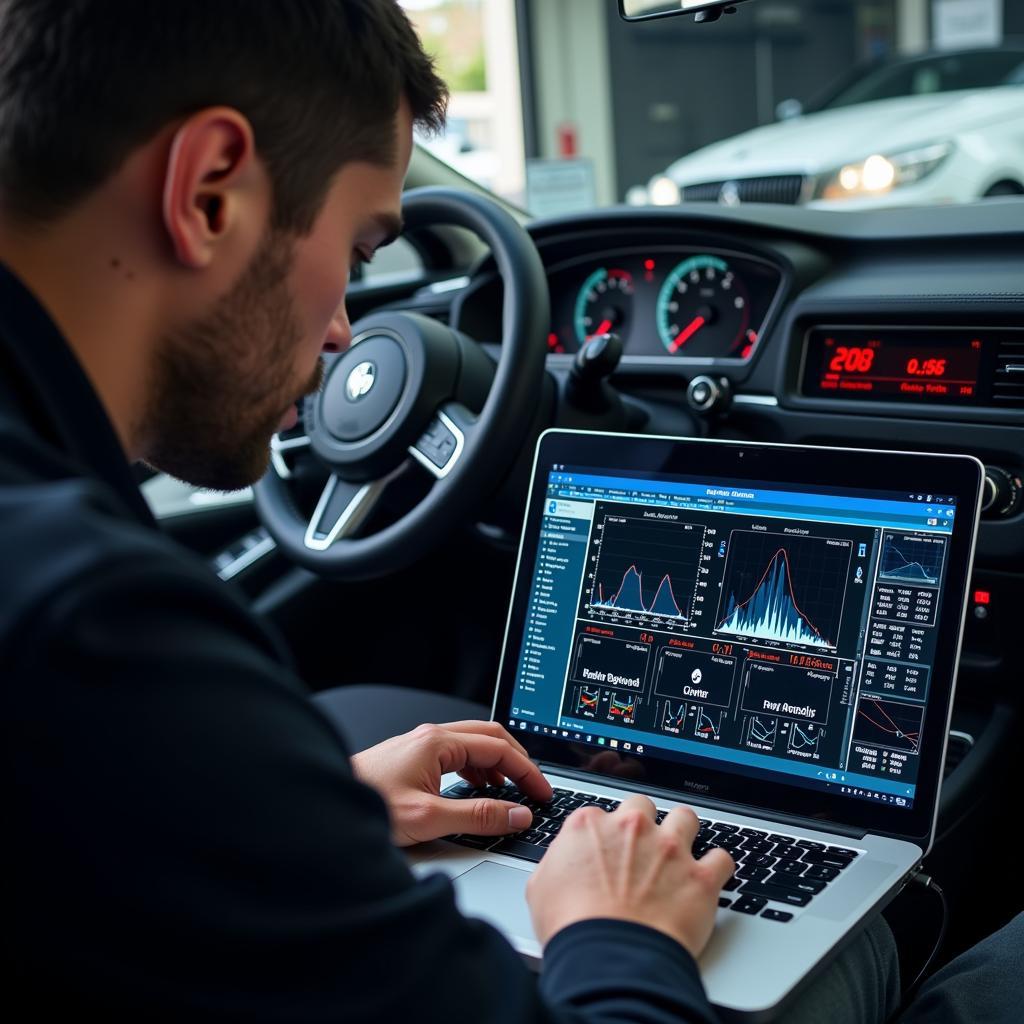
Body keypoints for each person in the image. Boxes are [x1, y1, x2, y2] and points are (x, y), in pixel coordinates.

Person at [0, 2, 1017, 1021]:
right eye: (358, 253)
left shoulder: (70, 614)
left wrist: (289, 815)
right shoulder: (99, 639)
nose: (349, 331)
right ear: (210, 191)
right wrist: (617, 932)